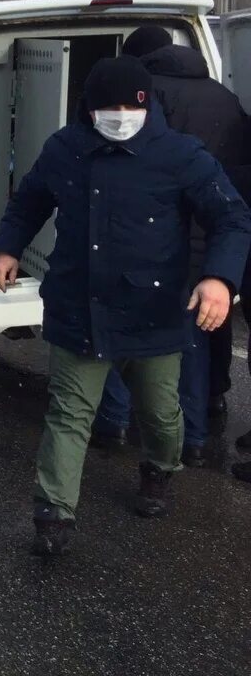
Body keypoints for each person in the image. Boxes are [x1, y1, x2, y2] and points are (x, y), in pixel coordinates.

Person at [0, 55, 251, 559]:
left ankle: (158, 470)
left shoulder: (180, 155)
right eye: (105, 108)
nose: (118, 116)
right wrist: (6, 246)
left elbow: (232, 217)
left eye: (127, 107)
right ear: (88, 110)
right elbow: (30, 201)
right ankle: (53, 515)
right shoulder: (66, 149)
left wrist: (219, 278)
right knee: (68, 414)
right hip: (78, 309)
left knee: (160, 417)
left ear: (146, 105)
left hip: (153, 312)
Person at [93, 25, 250, 467]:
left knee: (128, 330)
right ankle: (198, 431)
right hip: (214, 236)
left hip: (161, 233)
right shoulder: (223, 95)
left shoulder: (147, 98)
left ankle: (117, 421)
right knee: (200, 332)